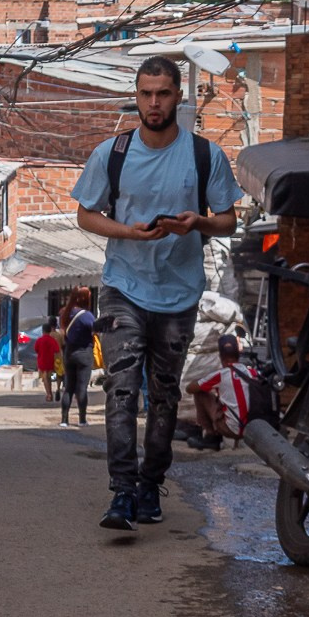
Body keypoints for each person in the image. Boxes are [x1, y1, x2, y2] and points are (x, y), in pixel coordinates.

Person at [72, 54, 242, 530]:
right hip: (123, 287)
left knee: (163, 395)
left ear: (177, 97)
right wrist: (129, 233)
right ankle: (122, 493)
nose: (153, 103)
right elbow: (86, 214)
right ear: (137, 95)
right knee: (122, 389)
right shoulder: (114, 153)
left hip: (180, 293)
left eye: (162, 93)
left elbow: (229, 219)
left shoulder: (205, 155)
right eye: (145, 94)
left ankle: (151, 485)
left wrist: (198, 222)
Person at [188, 333, 257, 451]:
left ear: (220, 356)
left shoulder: (220, 375)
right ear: (239, 354)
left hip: (230, 429)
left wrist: (201, 380)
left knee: (200, 394)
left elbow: (189, 389)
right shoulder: (252, 373)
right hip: (253, 428)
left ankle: (211, 437)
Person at [59, 295, 97, 428]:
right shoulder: (87, 316)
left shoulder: (64, 314)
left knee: (68, 387)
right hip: (84, 353)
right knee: (81, 388)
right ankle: (82, 419)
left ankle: (64, 420)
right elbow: (95, 329)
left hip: (69, 353)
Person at [34, 323, 62, 403]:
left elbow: (36, 349)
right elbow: (57, 350)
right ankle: (50, 393)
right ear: (50, 331)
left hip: (42, 361)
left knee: (45, 378)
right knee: (49, 377)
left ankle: (49, 394)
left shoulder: (39, 340)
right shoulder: (52, 340)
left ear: (42, 331)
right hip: (50, 361)